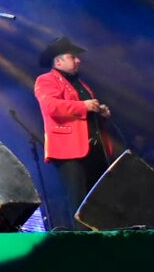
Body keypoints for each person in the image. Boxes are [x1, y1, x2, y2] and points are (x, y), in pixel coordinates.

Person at [34, 36, 113, 230]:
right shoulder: (46, 80)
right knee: (79, 200)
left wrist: (101, 113)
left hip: (94, 149)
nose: (78, 60)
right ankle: (83, 244)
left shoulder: (83, 85)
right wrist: (83, 105)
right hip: (69, 151)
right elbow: (51, 106)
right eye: (73, 56)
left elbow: (86, 114)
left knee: (100, 199)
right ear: (58, 61)